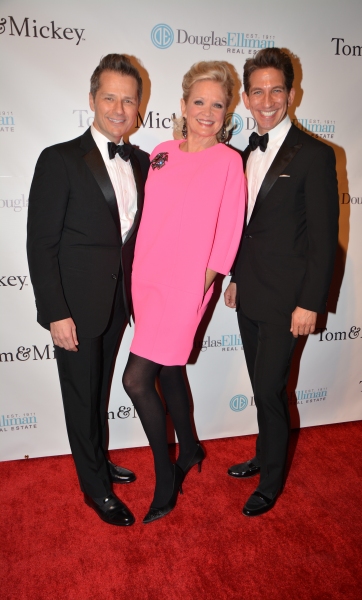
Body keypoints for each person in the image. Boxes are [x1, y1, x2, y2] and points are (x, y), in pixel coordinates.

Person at [27, 54, 150, 527]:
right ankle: (94, 488)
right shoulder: (59, 159)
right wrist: (55, 312)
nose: (119, 108)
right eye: (109, 97)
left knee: (98, 392)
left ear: (139, 106)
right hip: (74, 308)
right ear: (92, 100)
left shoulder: (142, 161)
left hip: (118, 304)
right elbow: (41, 244)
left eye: (128, 99)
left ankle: (100, 460)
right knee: (80, 397)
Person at [122, 61, 246, 524]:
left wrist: (200, 286)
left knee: (135, 380)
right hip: (148, 280)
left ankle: (166, 474)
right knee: (169, 368)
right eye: (199, 102)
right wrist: (139, 277)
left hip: (187, 286)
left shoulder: (229, 162)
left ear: (227, 111)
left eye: (217, 104)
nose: (207, 112)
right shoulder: (161, 152)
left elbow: (229, 234)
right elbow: (151, 218)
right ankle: (190, 448)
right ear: (183, 106)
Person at [224, 48, 339, 517]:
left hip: (288, 301)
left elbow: (324, 239)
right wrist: (234, 278)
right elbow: (243, 225)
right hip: (249, 292)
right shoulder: (244, 151)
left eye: (276, 90)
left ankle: (271, 482)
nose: (267, 99)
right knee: (260, 385)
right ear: (247, 99)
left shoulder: (315, 155)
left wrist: (310, 303)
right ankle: (264, 453)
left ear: (292, 94)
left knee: (271, 390)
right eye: (258, 91)